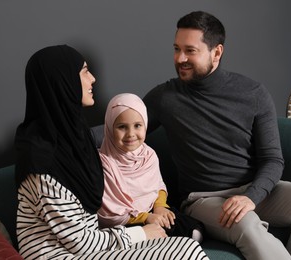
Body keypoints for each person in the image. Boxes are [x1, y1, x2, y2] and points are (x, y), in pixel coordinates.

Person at [143, 11, 291, 260]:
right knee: (245, 223)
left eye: (190, 50)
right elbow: (119, 128)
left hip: (250, 190)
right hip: (202, 199)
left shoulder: (252, 93)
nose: (180, 58)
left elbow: (273, 159)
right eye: (176, 49)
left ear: (217, 52)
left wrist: (250, 197)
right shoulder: (164, 98)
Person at [14, 45, 208, 260]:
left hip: (91, 246)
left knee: (185, 247)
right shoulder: (41, 160)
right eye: (85, 71)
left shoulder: (74, 139)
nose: (93, 79)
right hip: (59, 255)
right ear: (63, 81)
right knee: (184, 252)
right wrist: (141, 233)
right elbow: (80, 243)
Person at [97, 93, 204, 242]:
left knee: (192, 228)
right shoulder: (103, 163)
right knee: (141, 237)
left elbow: (158, 186)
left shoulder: (148, 155)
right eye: (122, 127)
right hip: (126, 221)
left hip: (152, 209)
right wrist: (146, 218)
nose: (131, 134)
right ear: (109, 128)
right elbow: (109, 211)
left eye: (137, 126)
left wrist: (160, 207)